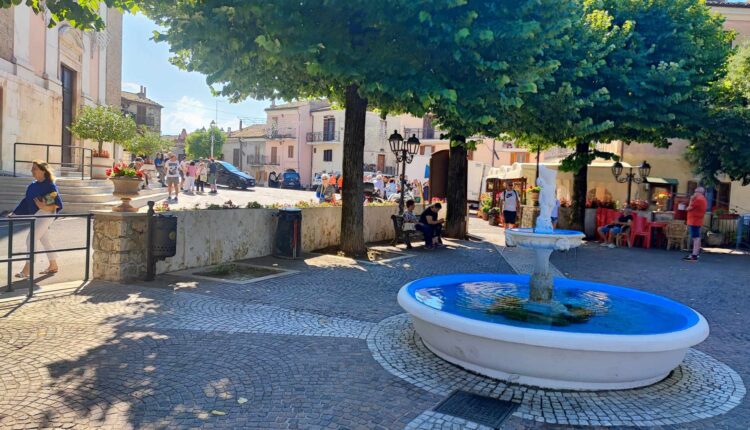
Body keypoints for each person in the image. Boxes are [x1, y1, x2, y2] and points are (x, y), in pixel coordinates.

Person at [10, 161, 63, 278]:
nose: (32, 171)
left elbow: (58, 204)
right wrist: (14, 213)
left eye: (34, 168)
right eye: (32, 169)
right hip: (37, 214)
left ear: (43, 171)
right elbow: (25, 201)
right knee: (45, 239)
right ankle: (53, 265)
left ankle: (27, 269)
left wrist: (44, 206)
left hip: (47, 214)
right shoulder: (32, 186)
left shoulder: (50, 185)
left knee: (31, 239)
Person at [684, 187, 707, 262]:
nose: (694, 193)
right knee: (697, 237)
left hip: (694, 221)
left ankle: (694, 256)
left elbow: (688, 208)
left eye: (695, 191)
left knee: (695, 238)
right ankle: (695, 254)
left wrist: (691, 199)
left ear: (699, 192)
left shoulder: (698, 200)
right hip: (697, 220)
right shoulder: (703, 199)